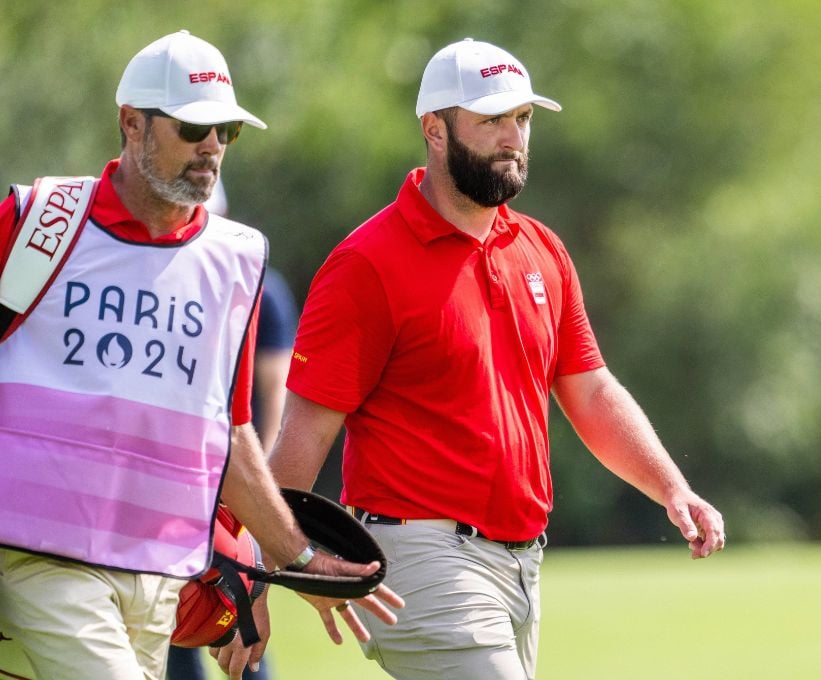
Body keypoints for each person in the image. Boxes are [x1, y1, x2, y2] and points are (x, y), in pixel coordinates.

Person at [267, 38, 726, 679]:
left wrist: (671, 486)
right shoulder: (366, 265)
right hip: (420, 559)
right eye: (491, 120)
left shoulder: (541, 248)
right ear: (434, 129)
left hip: (521, 565)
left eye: (523, 119)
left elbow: (590, 391)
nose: (514, 136)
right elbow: (305, 431)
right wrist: (266, 568)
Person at [0, 30, 402, 680]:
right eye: (193, 127)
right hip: (40, 560)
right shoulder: (40, 220)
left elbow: (230, 434)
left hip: (158, 572)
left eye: (227, 132)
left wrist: (290, 560)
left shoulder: (235, 259)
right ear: (131, 124)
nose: (212, 145)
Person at [166, 180, 297, 680]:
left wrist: (257, 493)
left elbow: (276, 392)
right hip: (167, 490)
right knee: (173, 636)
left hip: (228, 490)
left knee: (235, 618)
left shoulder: (263, 288)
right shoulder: (157, 280)